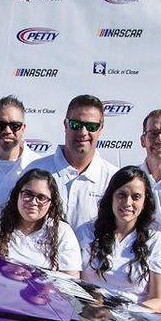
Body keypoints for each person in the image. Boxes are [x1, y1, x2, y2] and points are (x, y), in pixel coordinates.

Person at [78, 165, 161, 311]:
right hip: (87, 316)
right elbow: (71, 282)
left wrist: (122, 312)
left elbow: (159, 301)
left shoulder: (155, 241)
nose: (128, 203)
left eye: (136, 197)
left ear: (145, 201)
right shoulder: (86, 232)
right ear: (111, 197)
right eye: (121, 195)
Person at [37, 94, 117, 229]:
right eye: (76, 124)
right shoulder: (36, 171)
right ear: (65, 124)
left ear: (101, 128)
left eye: (91, 126)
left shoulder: (113, 179)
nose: (83, 132)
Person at [0, 167, 81, 276]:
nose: (33, 202)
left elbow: (71, 281)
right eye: (28, 194)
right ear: (17, 195)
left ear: (51, 203)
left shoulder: (62, 231)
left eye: (41, 197)